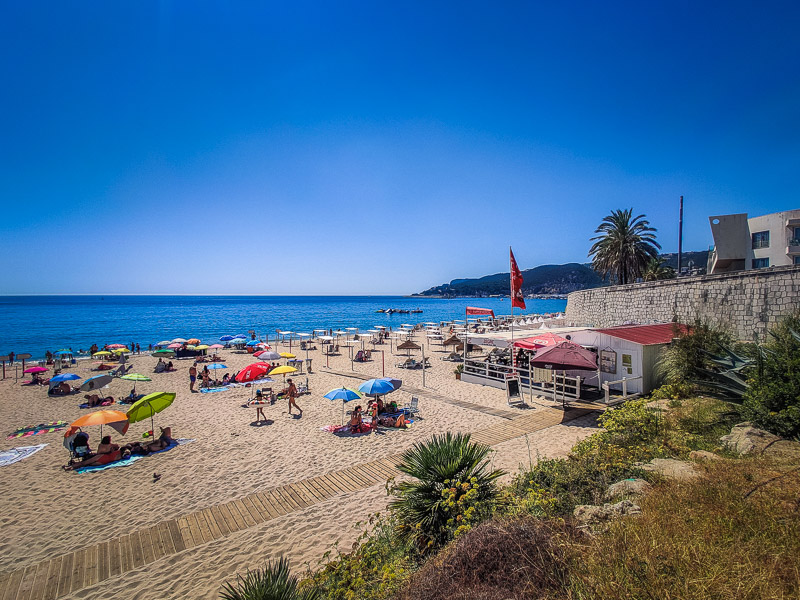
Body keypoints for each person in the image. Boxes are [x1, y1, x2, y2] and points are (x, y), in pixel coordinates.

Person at [63, 435, 128, 470]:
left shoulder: (101, 445)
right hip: (103, 461)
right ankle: (71, 466)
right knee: (86, 464)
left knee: (84, 463)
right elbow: (117, 446)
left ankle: (70, 466)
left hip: (100, 457)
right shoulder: (117, 453)